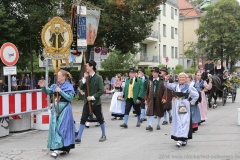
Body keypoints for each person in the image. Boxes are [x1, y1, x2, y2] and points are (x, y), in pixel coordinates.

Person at [38, 68, 75, 158]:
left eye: (59, 76)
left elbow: (70, 98)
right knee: (54, 128)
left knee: (61, 128)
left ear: (64, 77)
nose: (57, 77)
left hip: (65, 108)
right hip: (56, 108)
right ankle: (57, 148)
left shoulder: (69, 86)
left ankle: (60, 149)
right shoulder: (55, 85)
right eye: (57, 76)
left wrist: (60, 91)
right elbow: (48, 92)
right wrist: (43, 87)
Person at [164, 72, 199, 147]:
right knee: (178, 121)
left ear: (186, 79)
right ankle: (182, 138)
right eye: (180, 77)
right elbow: (168, 85)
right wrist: (166, 80)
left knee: (184, 121)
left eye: (183, 77)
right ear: (178, 79)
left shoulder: (188, 87)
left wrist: (191, 102)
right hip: (177, 104)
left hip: (184, 105)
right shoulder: (176, 86)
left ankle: (181, 139)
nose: (182, 79)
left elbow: (196, 95)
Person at [75, 60, 106, 143]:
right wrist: (84, 79)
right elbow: (81, 87)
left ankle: (103, 135)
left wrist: (92, 97)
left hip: (96, 103)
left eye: (87, 66)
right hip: (86, 102)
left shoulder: (98, 78)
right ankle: (78, 138)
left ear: (92, 66)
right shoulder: (86, 77)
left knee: (100, 119)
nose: (86, 68)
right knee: (83, 119)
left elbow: (101, 90)